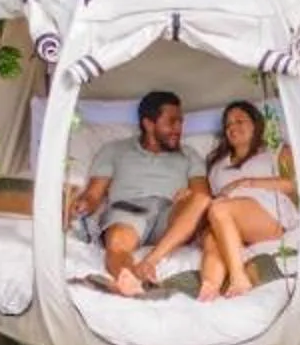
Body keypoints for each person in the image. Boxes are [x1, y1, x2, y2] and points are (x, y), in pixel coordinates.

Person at [72, 90, 207, 297]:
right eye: (171, 122)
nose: (178, 129)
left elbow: (202, 196)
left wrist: (188, 195)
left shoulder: (189, 155)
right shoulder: (114, 150)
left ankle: (150, 262)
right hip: (129, 211)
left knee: (201, 201)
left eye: (180, 122)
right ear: (148, 124)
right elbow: (93, 195)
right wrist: (83, 204)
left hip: (170, 215)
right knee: (117, 241)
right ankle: (128, 280)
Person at [194, 99, 298, 300]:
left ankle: (238, 277)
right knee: (211, 237)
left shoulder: (276, 151)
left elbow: (291, 185)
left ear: (255, 124)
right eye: (228, 125)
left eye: (240, 121)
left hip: (269, 214)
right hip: (230, 219)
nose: (232, 127)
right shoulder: (216, 166)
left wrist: (247, 183)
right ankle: (209, 290)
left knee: (219, 210)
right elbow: (213, 197)